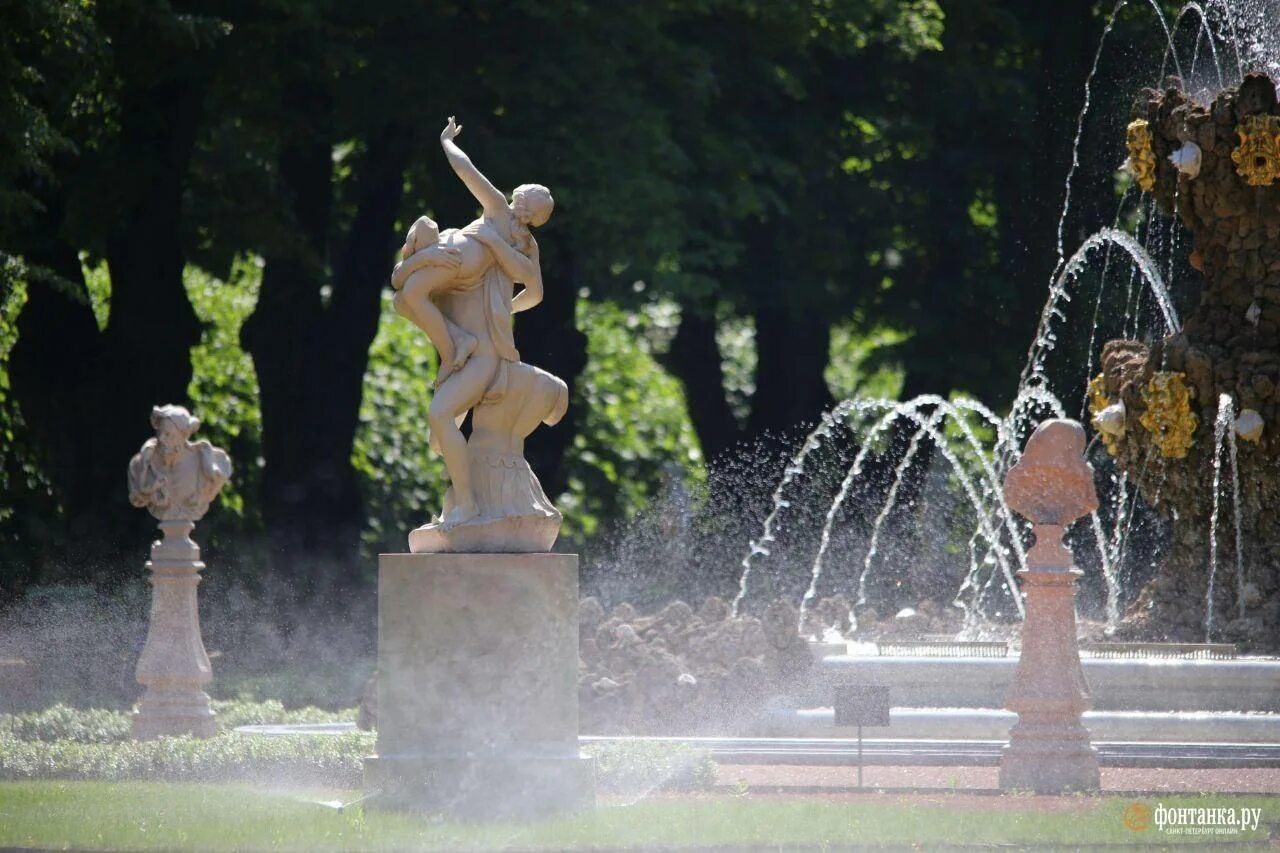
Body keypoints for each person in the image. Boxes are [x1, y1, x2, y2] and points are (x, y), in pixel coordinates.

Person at [390, 117, 554, 529]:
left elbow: (466, 170)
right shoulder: (525, 246)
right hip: (479, 344)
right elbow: (535, 293)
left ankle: (467, 506)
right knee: (404, 298)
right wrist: (507, 308)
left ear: (520, 200)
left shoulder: (498, 213)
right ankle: (464, 504)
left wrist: (446, 141)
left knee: (440, 416)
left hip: (483, 353)